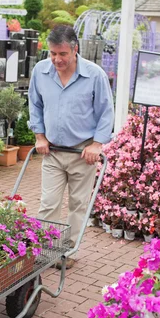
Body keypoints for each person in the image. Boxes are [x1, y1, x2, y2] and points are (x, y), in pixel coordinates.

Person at [29, 25, 114, 268]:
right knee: (49, 203)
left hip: (82, 152)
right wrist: (40, 136)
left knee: (78, 204)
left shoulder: (94, 75)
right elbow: (34, 105)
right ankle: (44, 251)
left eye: (62, 54)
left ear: (75, 49)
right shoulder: (40, 72)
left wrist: (97, 144)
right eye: (53, 53)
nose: (57, 59)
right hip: (53, 151)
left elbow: (106, 112)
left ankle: (68, 252)